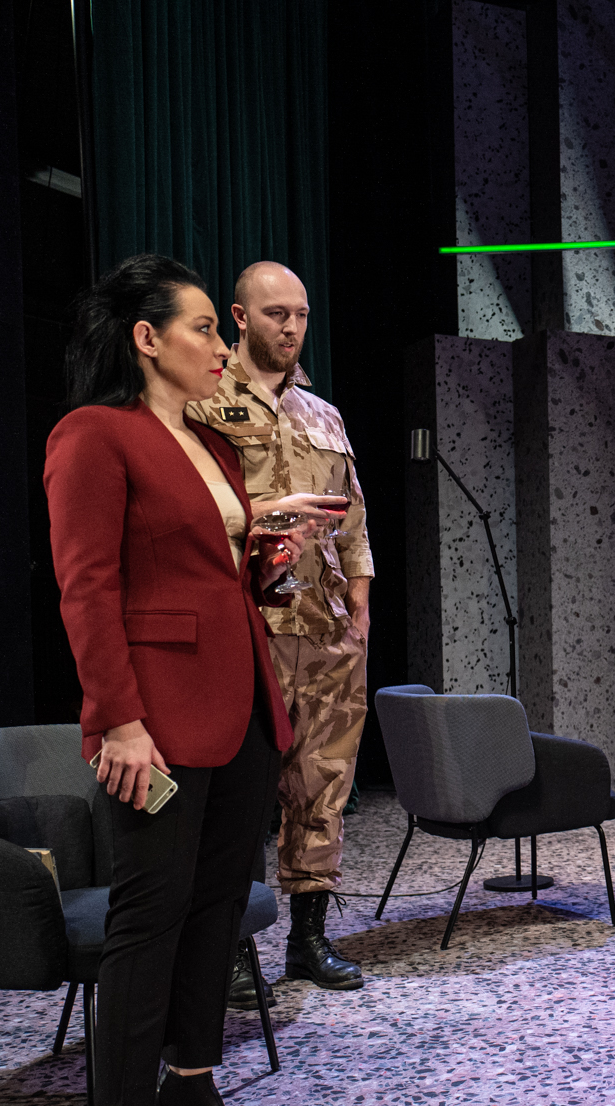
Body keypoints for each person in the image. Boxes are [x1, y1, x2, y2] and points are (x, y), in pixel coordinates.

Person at [46, 254, 334, 1106]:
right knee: (149, 920)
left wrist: (263, 552)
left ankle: (192, 1082)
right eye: (205, 326)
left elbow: (203, 575)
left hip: (242, 709)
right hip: (156, 722)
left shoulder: (209, 442)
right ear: (146, 338)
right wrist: (117, 720)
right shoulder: (94, 435)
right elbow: (88, 589)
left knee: (217, 913)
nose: (221, 344)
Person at [191, 262, 371, 1003]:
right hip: (250, 625)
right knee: (244, 794)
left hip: (326, 630)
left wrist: (361, 607)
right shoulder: (205, 403)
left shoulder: (323, 414)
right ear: (239, 317)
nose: (291, 327)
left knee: (322, 783)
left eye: (299, 314)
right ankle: (232, 947)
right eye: (275, 314)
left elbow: (353, 520)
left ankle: (308, 938)